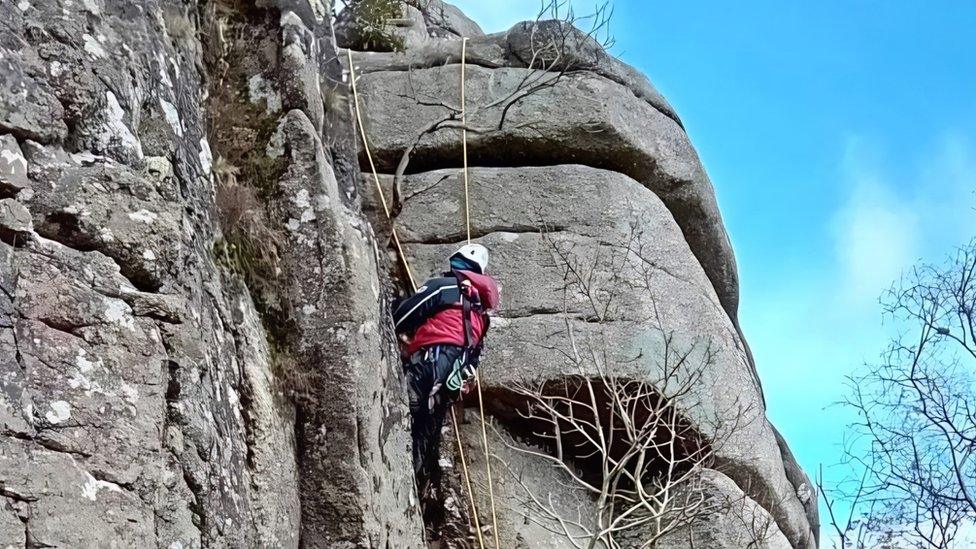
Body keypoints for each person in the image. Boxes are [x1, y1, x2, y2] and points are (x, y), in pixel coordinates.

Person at [392, 243, 500, 491]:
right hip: (453, 376)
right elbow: (474, 357)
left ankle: (404, 477)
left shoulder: (444, 287)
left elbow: (403, 317)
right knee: (427, 429)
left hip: (433, 360)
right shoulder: (481, 315)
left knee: (406, 406)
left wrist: (394, 306)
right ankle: (419, 483)